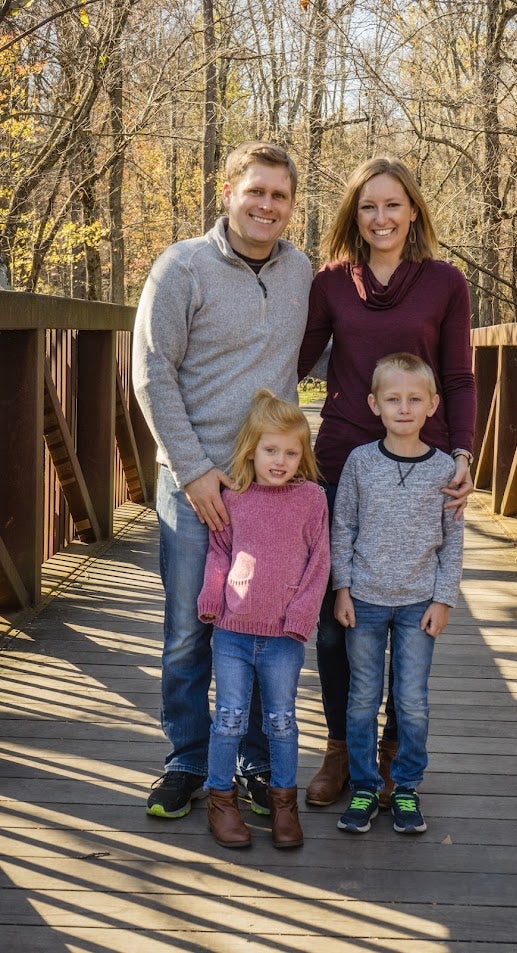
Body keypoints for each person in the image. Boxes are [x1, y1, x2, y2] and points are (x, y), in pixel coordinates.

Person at [133, 142, 313, 819]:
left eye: (279, 195)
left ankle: (254, 761)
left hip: (271, 490)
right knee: (189, 628)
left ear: (292, 206)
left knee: (264, 626)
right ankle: (185, 757)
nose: (267, 205)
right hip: (194, 484)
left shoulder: (300, 271)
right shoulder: (181, 268)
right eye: (256, 191)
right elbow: (151, 376)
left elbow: (330, 344)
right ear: (229, 191)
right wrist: (195, 471)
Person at [297, 157, 476, 809]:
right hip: (342, 460)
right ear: (354, 216)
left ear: (413, 213)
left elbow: (457, 377)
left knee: (408, 614)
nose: (381, 218)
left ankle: (395, 749)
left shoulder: (444, 283)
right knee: (332, 620)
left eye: (393, 205)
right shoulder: (328, 284)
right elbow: (287, 364)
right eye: (368, 206)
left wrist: (461, 451)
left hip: (421, 469)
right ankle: (342, 749)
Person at [331, 353, 464, 834]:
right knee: (363, 698)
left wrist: (444, 599)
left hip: (418, 604)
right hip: (364, 599)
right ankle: (365, 786)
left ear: (432, 404)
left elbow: (453, 542)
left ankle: (405, 787)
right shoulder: (360, 462)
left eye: (414, 399)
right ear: (374, 404)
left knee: (411, 700)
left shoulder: (445, 468)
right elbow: (341, 527)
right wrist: (341, 589)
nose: (403, 408)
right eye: (393, 399)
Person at [198, 390, 330, 848]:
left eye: (291, 452)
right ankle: (220, 799)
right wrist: (211, 599)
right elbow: (219, 552)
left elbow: (320, 564)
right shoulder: (234, 497)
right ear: (251, 450)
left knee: (281, 721)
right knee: (229, 719)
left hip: (283, 639)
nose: (280, 460)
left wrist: (300, 617)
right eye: (271, 450)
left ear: (302, 455)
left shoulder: (311, 499)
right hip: (232, 632)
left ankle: (283, 804)